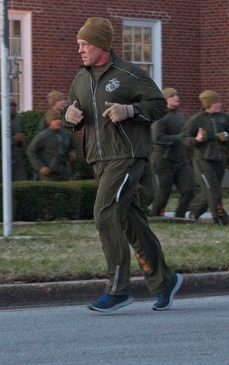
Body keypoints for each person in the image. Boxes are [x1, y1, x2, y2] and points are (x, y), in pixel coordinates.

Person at [63, 16, 182, 313]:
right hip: (98, 159)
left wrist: (129, 109)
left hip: (127, 157)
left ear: (101, 45)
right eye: (79, 44)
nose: (80, 49)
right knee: (131, 222)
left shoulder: (128, 73)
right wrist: (69, 116)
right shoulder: (81, 78)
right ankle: (164, 280)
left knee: (104, 213)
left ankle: (117, 289)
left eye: (85, 43)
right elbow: (71, 109)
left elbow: (158, 104)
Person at [181, 90, 229, 225]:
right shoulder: (196, 120)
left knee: (210, 190)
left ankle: (194, 211)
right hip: (202, 160)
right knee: (212, 189)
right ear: (208, 104)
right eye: (216, 102)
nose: (219, 104)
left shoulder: (225, 118)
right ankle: (220, 218)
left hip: (220, 159)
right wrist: (197, 139)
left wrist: (227, 137)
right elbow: (184, 139)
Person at [150, 88, 196, 217]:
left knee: (189, 189)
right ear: (165, 100)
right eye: (172, 96)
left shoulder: (179, 116)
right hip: (163, 160)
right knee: (163, 192)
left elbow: (185, 135)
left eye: (177, 95)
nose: (176, 97)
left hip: (180, 160)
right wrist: (177, 138)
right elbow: (157, 138)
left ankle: (180, 215)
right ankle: (157, 215)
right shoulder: (160, 116)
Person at [28, 109, 78, 181]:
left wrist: (73, 153)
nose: (58, 121)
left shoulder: (67, 134)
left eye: (59, 119)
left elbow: (73, 146)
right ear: (49, 121)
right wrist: (40, 167)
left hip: (65, 172)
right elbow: (31, 151)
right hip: (49, 173)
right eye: (54, 119)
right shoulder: (42, 136)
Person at [0, 99, 28, 182]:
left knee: (20, 180)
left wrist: (21, 139)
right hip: (0, 157)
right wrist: (13, 139)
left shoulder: (17, 120)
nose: (12, 108)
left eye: (14, 106)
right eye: (10, 106)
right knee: (0, 183)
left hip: (15, 156)